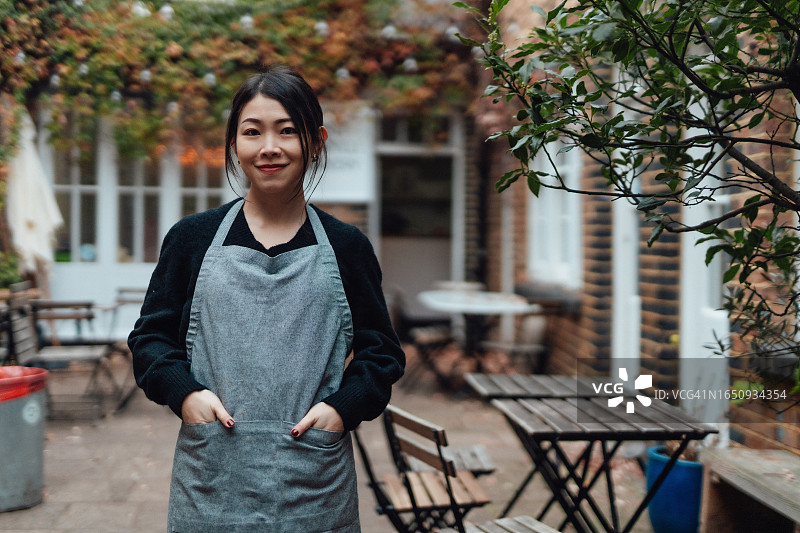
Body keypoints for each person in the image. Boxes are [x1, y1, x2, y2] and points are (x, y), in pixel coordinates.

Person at [128, 65, 405, 532]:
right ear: (235, 145)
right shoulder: (191, 239)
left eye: (287, 131)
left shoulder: (347, 246)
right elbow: (151, 338)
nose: (269, 147)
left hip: (312, 479)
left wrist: (342, 408)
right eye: (252, 132)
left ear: (315, 141)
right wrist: (186, 393)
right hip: (213, 474)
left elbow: (381, 351)